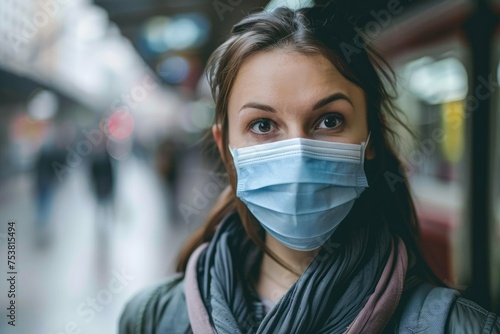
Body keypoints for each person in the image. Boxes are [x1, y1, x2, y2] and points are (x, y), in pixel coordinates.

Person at [119, 5, 500, 333]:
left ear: (371, 138)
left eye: (329, 121)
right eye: (263, 126)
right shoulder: (152, 317)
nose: (298, 153)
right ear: (226, 147)